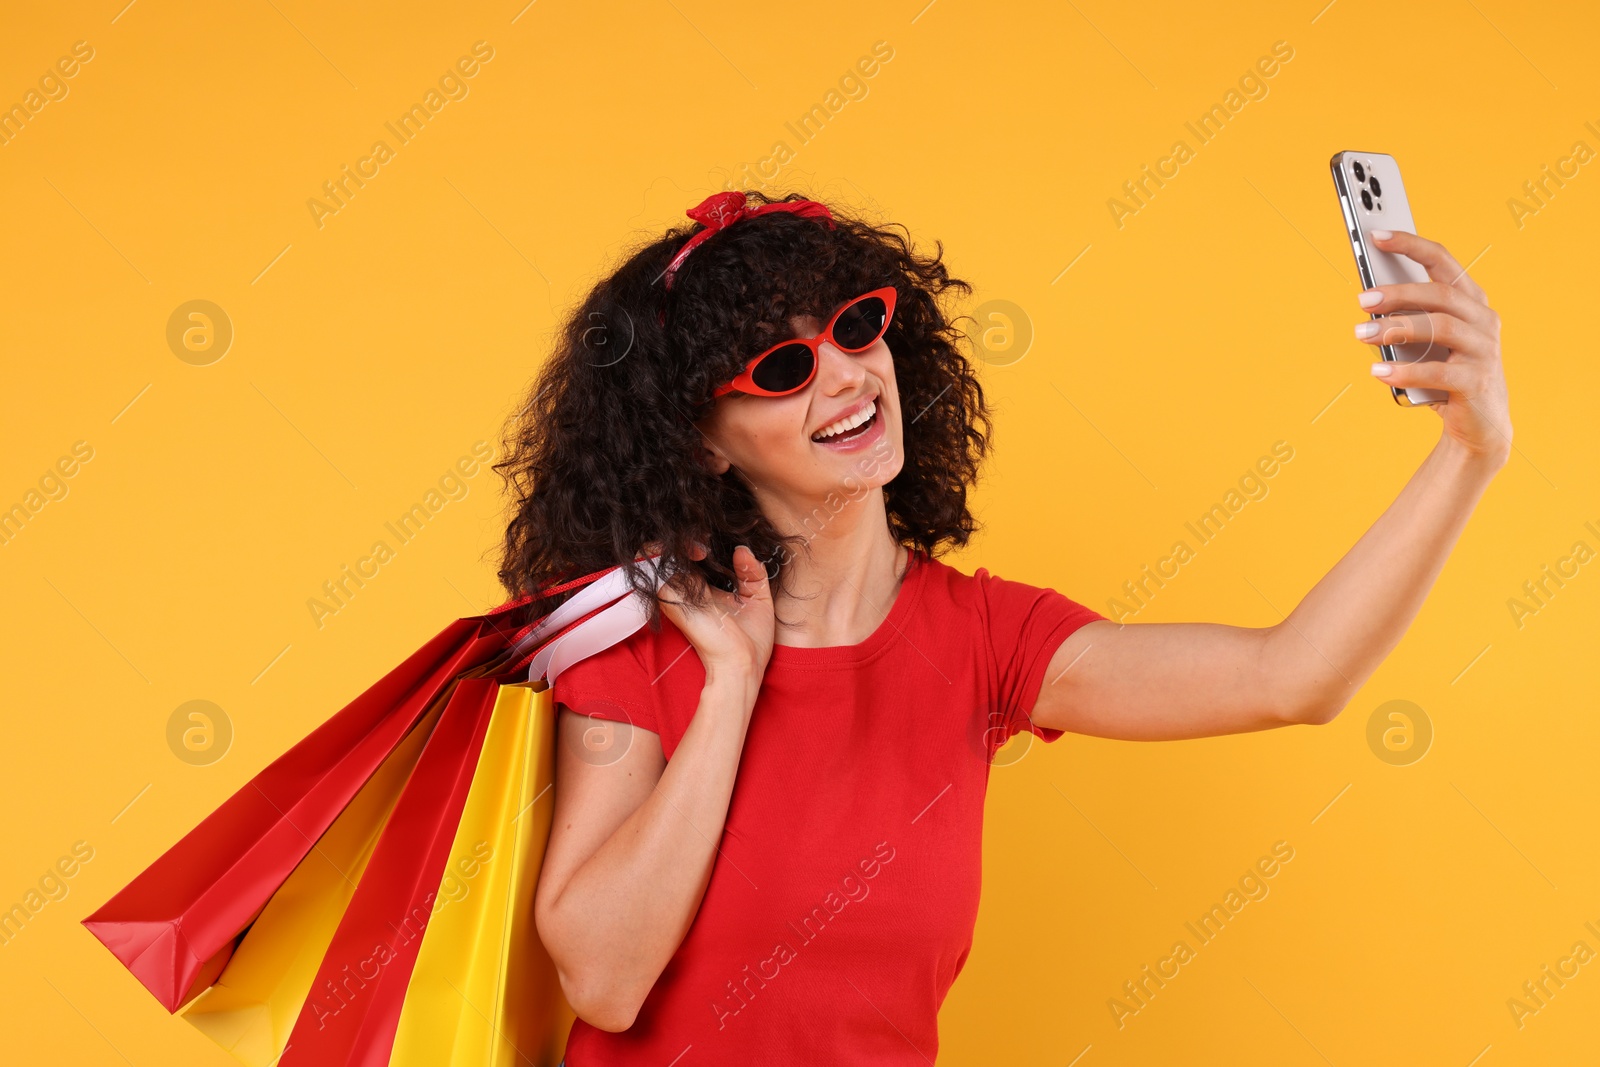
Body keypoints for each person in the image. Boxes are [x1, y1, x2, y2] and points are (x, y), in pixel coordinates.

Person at [494, 189, 1510, 1065]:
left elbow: (1293, 675)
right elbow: (605, 979)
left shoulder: (985, 636)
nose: (847, 375)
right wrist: (728, 688)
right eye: (778, 368)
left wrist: (1469, 451)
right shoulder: (642, 638)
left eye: (854, 327)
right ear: (702, 443)